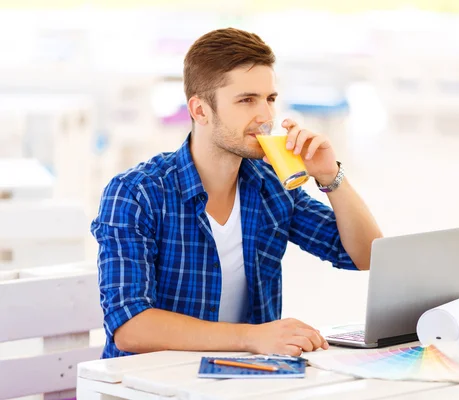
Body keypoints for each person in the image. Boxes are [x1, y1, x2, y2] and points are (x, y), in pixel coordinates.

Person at [91, 27, 383, 359]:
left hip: (244, 380)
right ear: (200, 111)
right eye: (247, 101)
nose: (266, 117)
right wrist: (253, 337)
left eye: (269, 99)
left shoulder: (269, 184)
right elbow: (130, 328)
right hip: (148, 385)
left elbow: (365, 256)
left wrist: (331, 177)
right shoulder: (135, 194)